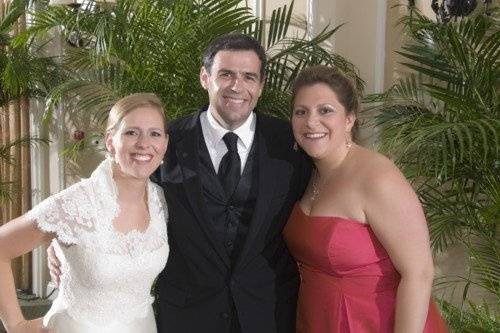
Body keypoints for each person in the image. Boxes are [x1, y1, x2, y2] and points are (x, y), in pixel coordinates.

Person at [283, 65, 448, 332]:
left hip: (375, 322)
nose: (311, 122)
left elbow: (419, 273)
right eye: (301, 112)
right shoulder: (306, 174)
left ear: (349, 119)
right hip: (316, 319)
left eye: (325, 110)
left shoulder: (378, 177)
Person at [0, 93, 170, 333]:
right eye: (131, 132)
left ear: (165, 143)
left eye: (155, 133)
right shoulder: (75, 203)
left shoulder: (162, 202)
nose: (144, 143)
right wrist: (17, 325)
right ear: (110, 141)